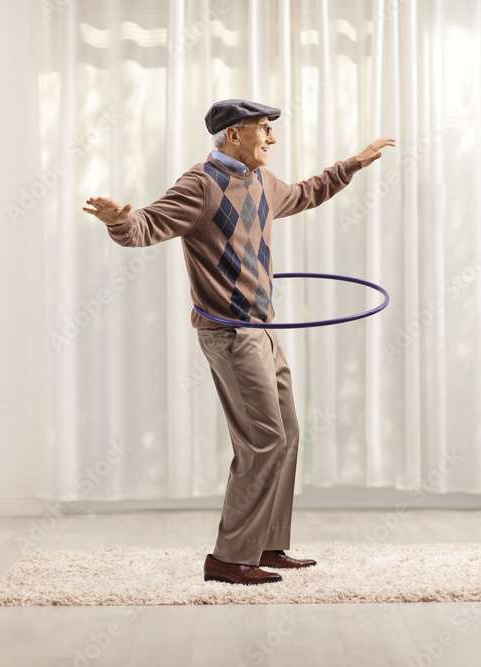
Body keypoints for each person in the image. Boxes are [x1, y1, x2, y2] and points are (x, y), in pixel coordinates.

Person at [84, 99, 395, 585]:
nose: (271, 138)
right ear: (233, 135)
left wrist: (353, 163)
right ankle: (228, 558)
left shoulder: (264, 182)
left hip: (263, 328)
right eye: (263, 130)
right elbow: (144, 226)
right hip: (229, 333)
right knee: (262, 440)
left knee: (287, 434)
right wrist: (118, 220)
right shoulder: (200, 186)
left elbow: (306, 192)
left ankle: (266, 544)